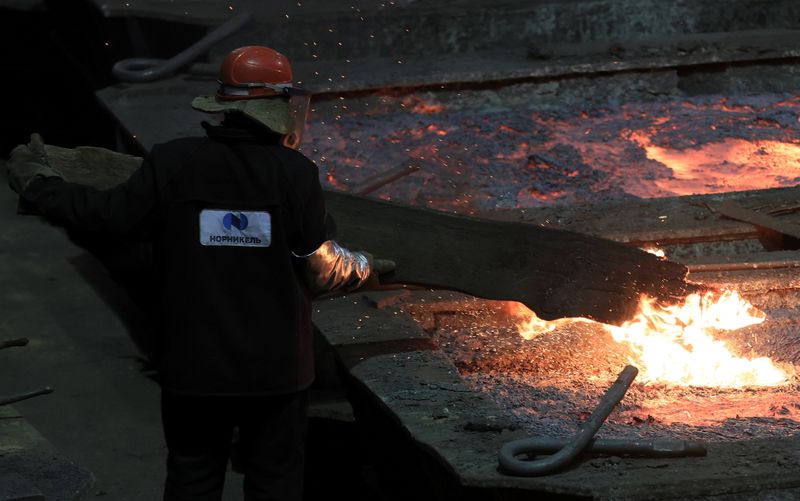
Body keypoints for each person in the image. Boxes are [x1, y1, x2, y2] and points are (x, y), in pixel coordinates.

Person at [6, 45, 394, 501]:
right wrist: (367, 268)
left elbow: (103, 214)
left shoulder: (174, 162)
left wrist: (39, 185)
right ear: (279, 109)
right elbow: (321, 269)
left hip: (194, 366)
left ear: (225, 106)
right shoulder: (294, 174)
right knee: (275, 479)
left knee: (193, 475)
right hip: (276, 371)